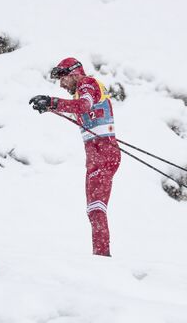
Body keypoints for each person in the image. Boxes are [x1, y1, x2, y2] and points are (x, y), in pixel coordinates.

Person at [29, 57, 121, 257]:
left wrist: (52, 102)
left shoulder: (87, 83)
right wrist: (50, 107)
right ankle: (101, 255)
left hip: (104, 153)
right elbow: (79, 109)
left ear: (74, 73)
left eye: (62, 79)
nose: (61, 84)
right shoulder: (82, 90)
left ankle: (102, 258)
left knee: (96, 210)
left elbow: (83, 106)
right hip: (97, 156)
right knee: (93, 210)